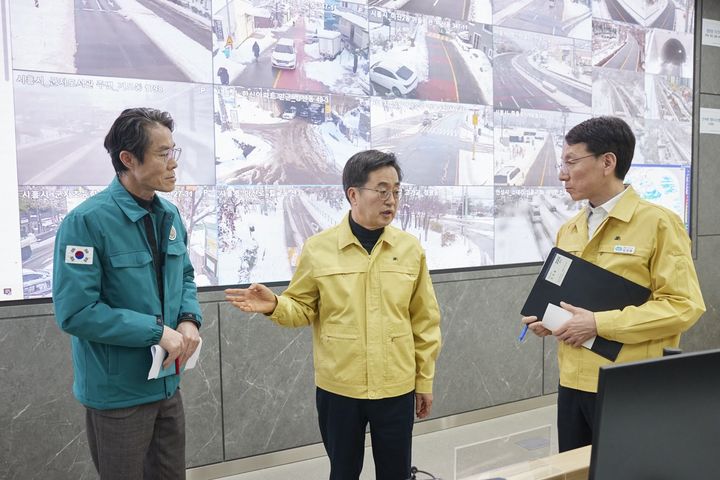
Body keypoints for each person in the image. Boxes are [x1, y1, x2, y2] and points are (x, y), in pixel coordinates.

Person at [225, 150, 441, 480]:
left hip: (395, 386)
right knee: (342, 472)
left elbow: (424, 320)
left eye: (396, 191)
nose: (391, 200)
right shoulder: (319, 248)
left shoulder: (410, 249)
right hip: (339, 388)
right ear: (353, 194)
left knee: (396, 473)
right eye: (382, 190)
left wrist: (423, 380)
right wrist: (275, 305)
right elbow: (302, 307)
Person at [521, 116, 705, 452]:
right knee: (575, 472)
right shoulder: (571, 228)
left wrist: (598, 323)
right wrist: (551, 321)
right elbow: (569, 299)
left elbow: (684, 306)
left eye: (571, 162)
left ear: (608, 162)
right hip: (572, 383)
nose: (562, 173)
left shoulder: (659, 224)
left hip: (629, 386)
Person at [52, 108, 202, 479]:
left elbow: (183, 275)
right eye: (162, 153)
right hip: (117, 396)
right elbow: (77, 312)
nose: (173, 164)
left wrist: (188, 319)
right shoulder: (86, 222)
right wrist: (156, 332)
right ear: (128, 159)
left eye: (174, 152)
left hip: (167, 384)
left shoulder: (170, 216)